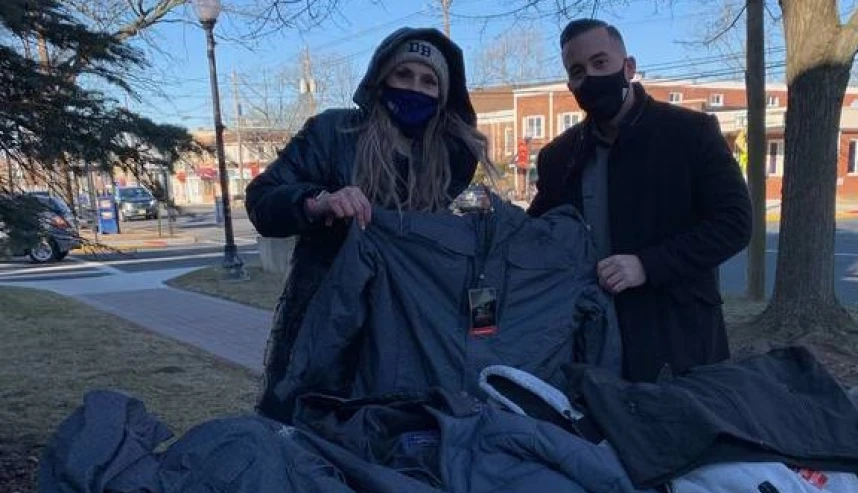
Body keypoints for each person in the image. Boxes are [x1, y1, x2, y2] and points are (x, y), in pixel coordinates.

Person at [245, 28, 496, 416]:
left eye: (429, 81)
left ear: (443, 95)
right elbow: (262, 200)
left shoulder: (449, 160)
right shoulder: (333, 133)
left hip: (406, 334)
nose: (415, 88)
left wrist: (484, 327)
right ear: (381, 78)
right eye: (403, 74)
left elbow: (476, 266)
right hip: (324, 325)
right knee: (303, 427)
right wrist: (317, 202)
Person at [529, 19, 752, 383]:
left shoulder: (690, 133)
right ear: (570, 84)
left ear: (629, 67)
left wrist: (647, 265)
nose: (591, 77)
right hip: (591, 342)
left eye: (601, 62)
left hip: (678, 340)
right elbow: (538, 234)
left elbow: (735, 223)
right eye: (578, 71)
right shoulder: (560, 156)